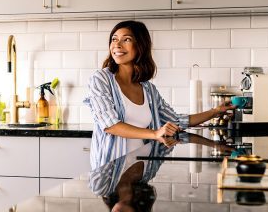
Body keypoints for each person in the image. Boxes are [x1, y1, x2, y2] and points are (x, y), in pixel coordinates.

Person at [84, 20, 234, 169]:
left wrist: (215, 112)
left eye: (126, 39)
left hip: (140, 168)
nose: (117, 44)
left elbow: (176, 121)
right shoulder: (101, 79)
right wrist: (155, 133)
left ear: (140, 46)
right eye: (114, 39)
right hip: (110, 171)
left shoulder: (148, 89)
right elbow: (110, 125)